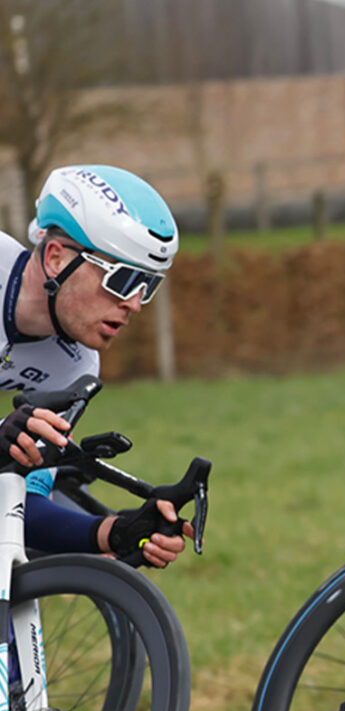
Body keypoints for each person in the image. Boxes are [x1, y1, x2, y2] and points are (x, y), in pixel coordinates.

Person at [1, 164, 193, 568]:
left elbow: (21, 508)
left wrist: (116, 533)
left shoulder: (76, 367)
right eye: (121, 280)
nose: (134, 304)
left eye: (147, 285)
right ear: (56, 258)